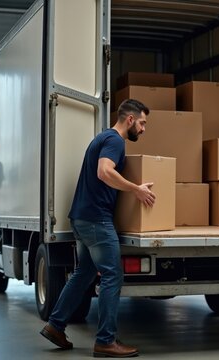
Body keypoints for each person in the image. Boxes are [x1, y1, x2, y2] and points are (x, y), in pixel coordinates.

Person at [40, 99, 155, 358]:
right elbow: (105, 172)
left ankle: (55, 325)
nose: (144, 128)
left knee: (84, 272)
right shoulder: (115, 141)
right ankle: (105, 341)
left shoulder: (101, 138)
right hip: (96, 220)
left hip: (81, 218)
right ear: (129, 119)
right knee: (113, 275)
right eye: (143, 122)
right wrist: (136, 189)